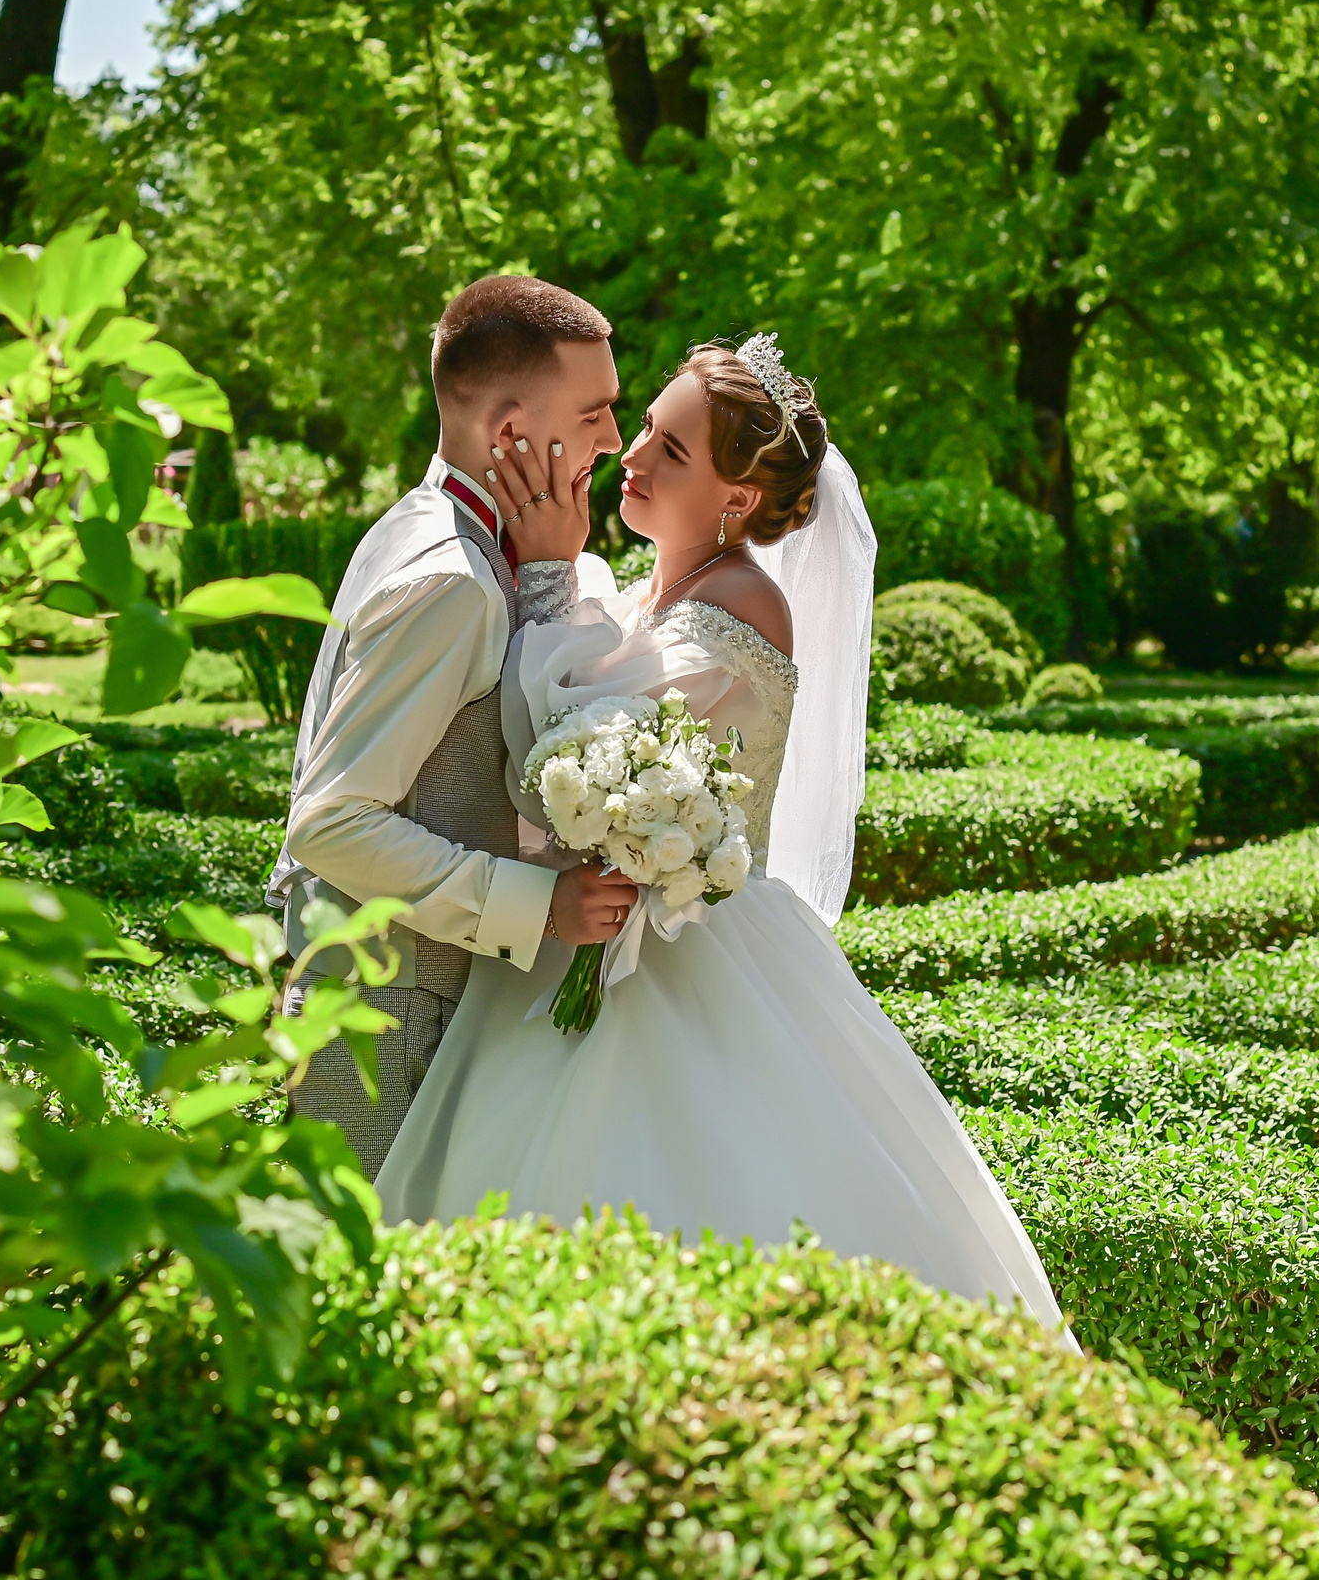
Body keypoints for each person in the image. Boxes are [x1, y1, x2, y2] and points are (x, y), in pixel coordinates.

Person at [378, 335, 1075, 1336]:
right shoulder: (647, 585)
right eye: (647, 429)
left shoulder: (742, 606)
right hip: (578, 928)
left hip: (678, 953)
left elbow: (560, 750)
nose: (633, 456)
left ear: (736, 500)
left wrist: (540, 577)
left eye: (670, 449)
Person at [273, 275, 637, 1176]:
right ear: (512, 435)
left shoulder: (435, 527)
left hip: (400, 1004)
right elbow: (330, 820)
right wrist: (539, 905)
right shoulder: (450, 580)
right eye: (594, 414)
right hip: (383, 1021)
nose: (614, 441)